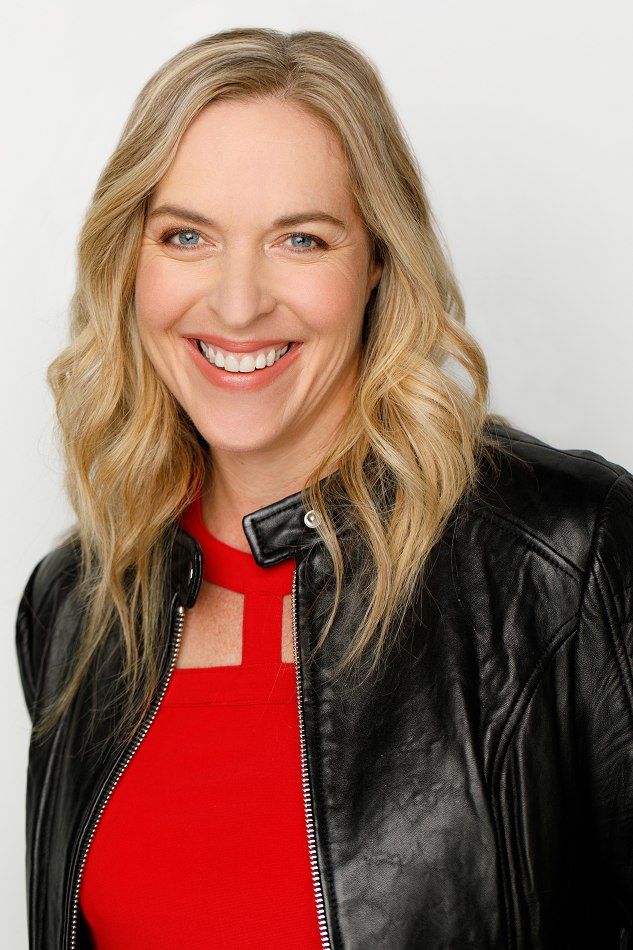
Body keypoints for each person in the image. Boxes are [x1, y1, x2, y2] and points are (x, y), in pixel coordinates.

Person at [15, 26, 633, 950]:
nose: (237, 303)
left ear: (377, 261)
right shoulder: (75, 606)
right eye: (186, 236)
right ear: (128, 263)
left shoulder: (561, 559)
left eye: (300, 239)